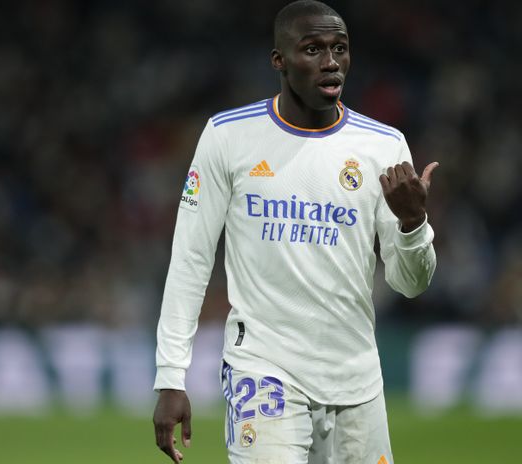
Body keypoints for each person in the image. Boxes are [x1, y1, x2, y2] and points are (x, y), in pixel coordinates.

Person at [152, 1, 438, 462]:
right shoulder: (228, 137)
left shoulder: (383, 146)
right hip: (263, 371)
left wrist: (412, 225)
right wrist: (171, 375)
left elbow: (410, 283)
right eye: (313, 49)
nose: (330, 62)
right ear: (278, 60)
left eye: (340, 49)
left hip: (357, 379)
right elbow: (191, 258)